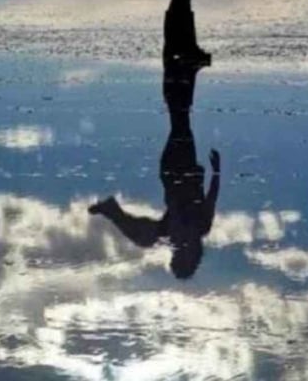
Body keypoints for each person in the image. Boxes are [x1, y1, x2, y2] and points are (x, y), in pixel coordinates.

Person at [89, 58, 221, 279]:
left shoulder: (172, 233)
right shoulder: (201, 227)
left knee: (179, 117)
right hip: (187, 168)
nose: (178, 251)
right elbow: (211, 198)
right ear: (193, 255)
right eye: (181, 257)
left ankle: (185, 72)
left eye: (177, 256)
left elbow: (149, 231)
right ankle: (186, 72)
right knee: (180, 116)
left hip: (171, 171)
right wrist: (216, 171)